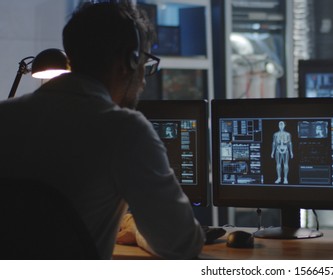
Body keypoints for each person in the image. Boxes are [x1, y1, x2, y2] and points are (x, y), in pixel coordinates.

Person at [0, 1, 204, 259]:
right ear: (127, 62)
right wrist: (132, 224)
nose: (143, 80)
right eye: (143, 62)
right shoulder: (126, 131)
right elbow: (181, 244)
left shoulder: (4, 116)